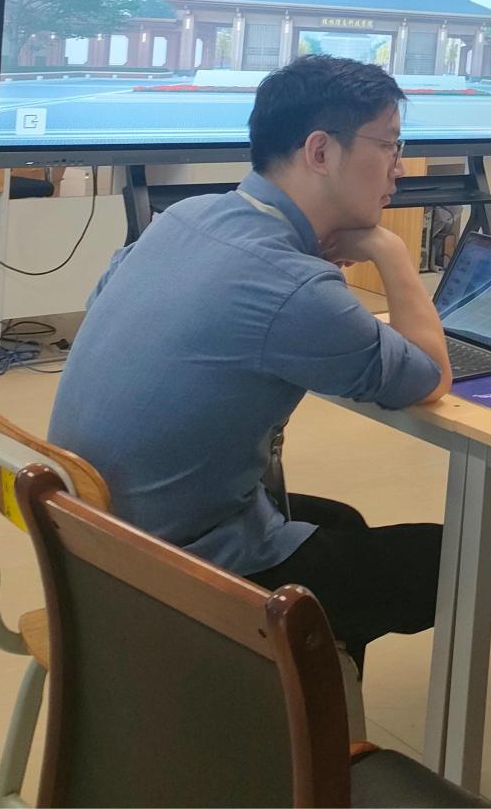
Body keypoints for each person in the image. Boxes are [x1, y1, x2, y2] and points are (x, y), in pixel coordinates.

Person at [48, 55, 453, 669]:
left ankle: (312, 703)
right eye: (390, 145)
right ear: (321, 151)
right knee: (449, 559)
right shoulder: (294, 286)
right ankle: (285, 702)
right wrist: (391, 251)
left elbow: (111, 301)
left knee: (342, 521)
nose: (399, 167)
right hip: (175, 573)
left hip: (92, 541)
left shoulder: (183, 217)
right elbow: (429, 376)